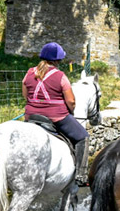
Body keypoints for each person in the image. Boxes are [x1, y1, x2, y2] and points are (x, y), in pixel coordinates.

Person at [22, 42, 90, 187]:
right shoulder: (61, 76)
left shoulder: (29, 72)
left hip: (31, 116)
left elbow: (25, 95)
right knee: (83, 137)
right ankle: (81, 175)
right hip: (56, 117)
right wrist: (70, 112)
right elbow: (71, 101)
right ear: (57, 60)